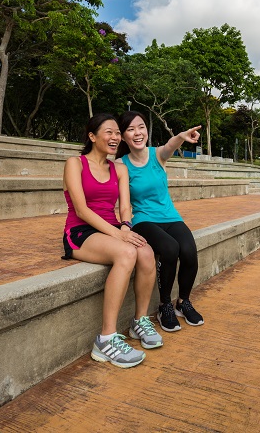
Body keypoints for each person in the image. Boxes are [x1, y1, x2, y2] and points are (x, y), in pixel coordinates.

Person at [62, 113, 162, 368]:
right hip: (81, 231)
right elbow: (82, 210)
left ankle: (139, 322)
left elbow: (125, 207)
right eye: (109, 132)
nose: (116, 137)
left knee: (147, 253)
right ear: (92, 136)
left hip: (113, 228)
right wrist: (118, 235)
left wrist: (126, 226)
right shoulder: (75, 163)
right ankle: (105, 339)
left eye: (118, 132)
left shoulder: (119, 167)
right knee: (127, 253)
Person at [116, 111, 204, 332]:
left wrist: (182, 136)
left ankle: (182, 302)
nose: (138, 133)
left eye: (141, 127)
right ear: (124, 136)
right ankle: (164, 305)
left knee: (189, 251)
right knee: (169, 248)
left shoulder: (157, 156)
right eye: (131, 129)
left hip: (170, 216)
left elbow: (169, 145)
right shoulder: (120, 164)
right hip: (143, 219)